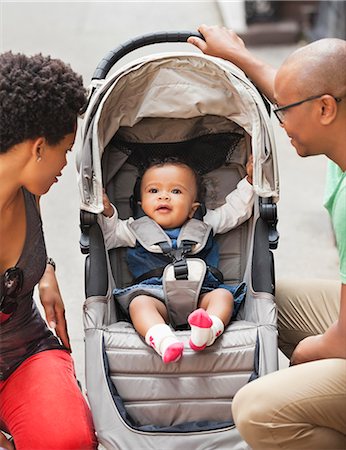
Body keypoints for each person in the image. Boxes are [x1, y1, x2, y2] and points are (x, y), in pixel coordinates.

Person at [188, 26, 346, 448]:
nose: (280, 120)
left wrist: (301, 361)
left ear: (326, 109)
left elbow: (343, 339)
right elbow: (302, 87)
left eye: (283, 111)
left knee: (257, 410)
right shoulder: (336, 120)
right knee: (261, 295)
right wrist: (238, 54)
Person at [0, 52, 97, 450]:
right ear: (39, 148)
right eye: (66, 150)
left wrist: (44, 269)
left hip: (25, 350)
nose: (66, 164)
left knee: (67, 440)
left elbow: (30, 247)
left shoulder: (26, 189)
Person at [101, 156, 254, 364]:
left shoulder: (205, 224)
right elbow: (109, 235)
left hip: (202, 294)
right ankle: (164, 340)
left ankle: (207, 330)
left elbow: (235, 212)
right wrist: (107, 211)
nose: (164, 197)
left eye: (176, 191)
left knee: (223, 297)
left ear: (193, 207)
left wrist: (251, 182)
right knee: (139, 305)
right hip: (156, 296)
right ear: (141, 203)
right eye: (153, 191)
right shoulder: (134, 229)